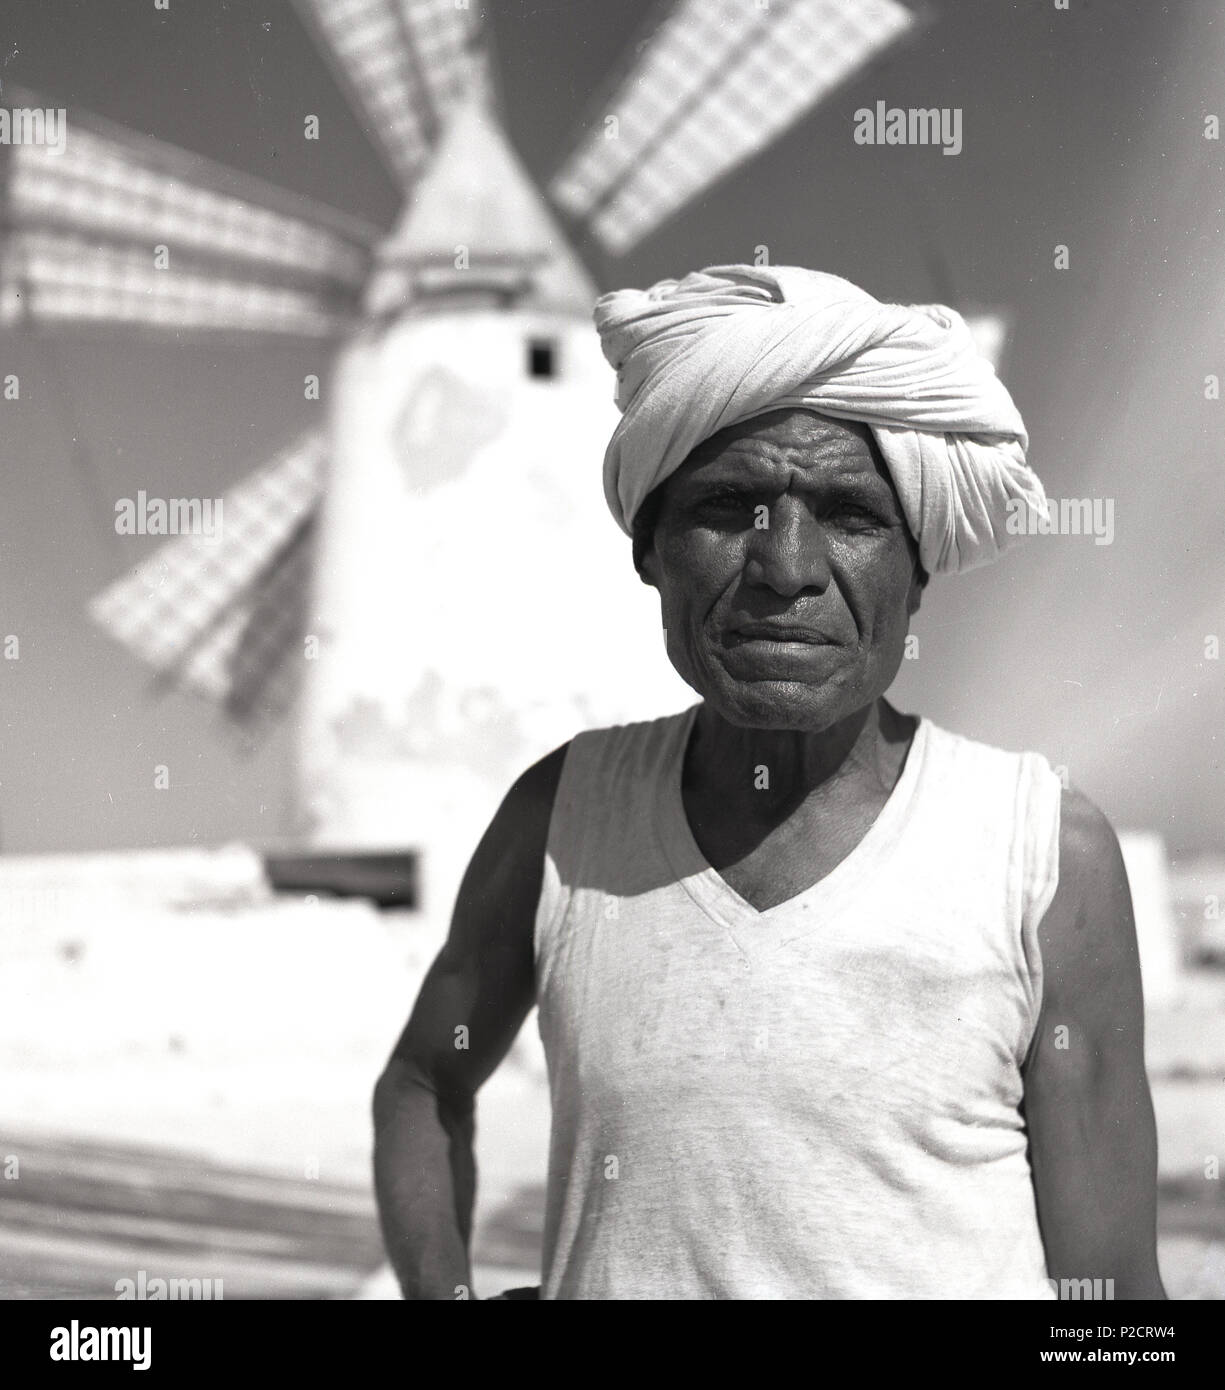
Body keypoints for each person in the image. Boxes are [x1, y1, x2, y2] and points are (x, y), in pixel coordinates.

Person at [373, 265, 1166, 1300]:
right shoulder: (567, 817)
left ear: (918, 565)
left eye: (849, 514)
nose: (785, 566)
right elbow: (425, 1081)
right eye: (728, 506)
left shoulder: (1039, 855)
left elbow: (1108, 1291)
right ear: (647, 550)